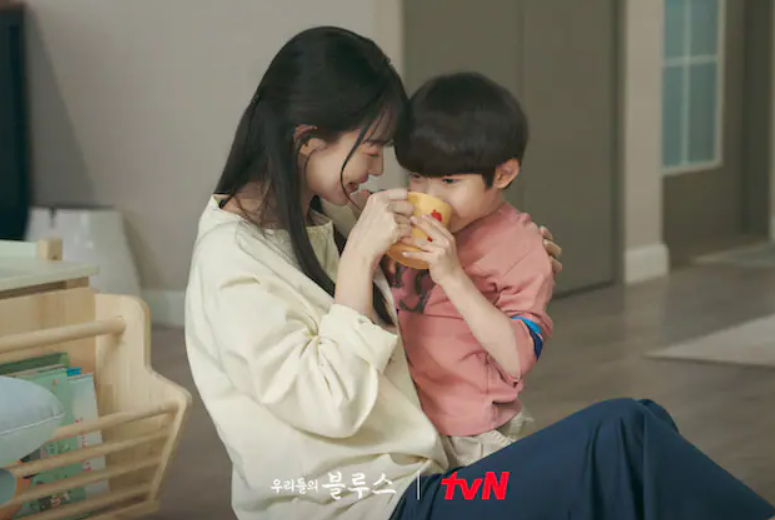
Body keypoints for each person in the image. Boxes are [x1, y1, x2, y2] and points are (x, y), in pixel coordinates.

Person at [184, 25, 775, 520]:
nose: (380, 168)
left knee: (644, 426)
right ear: (308, 141)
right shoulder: (232, 261)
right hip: (370, 505)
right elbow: (328, 407)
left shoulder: (323, 219)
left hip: (431, 477)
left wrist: (511, 256)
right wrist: (359, 262)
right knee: (624, 434)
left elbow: (439, 273)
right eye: (372, 147)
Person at [388, 72, 551, 467]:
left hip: (476, 434)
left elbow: (518, 357)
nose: (428, 195)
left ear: (504, 174)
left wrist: (453, 276)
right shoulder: (397, 217)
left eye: (449, 180)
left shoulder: (520, 246)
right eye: (417, 176)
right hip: (404, 422)